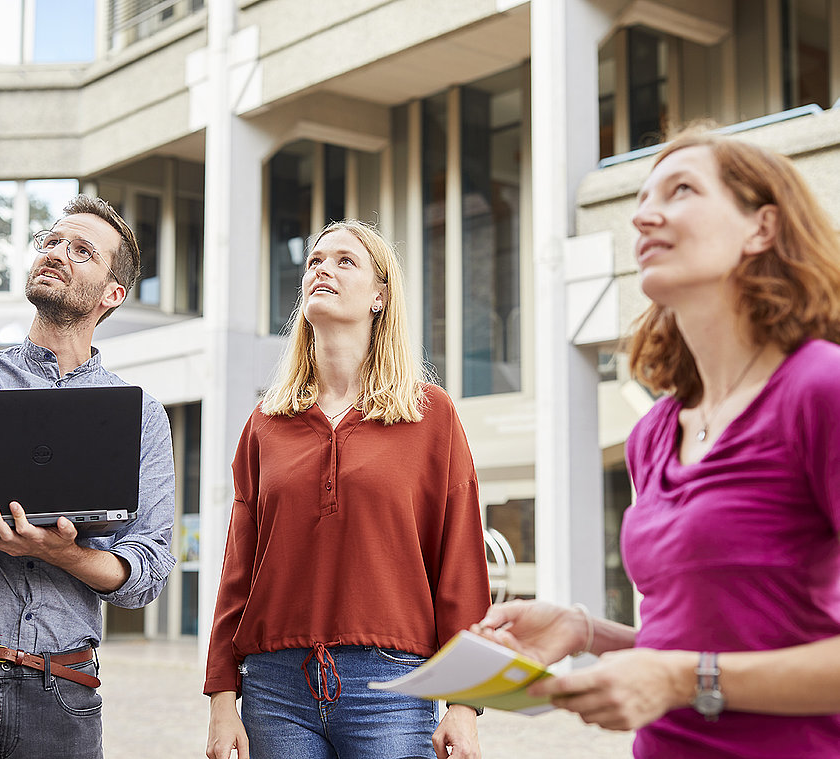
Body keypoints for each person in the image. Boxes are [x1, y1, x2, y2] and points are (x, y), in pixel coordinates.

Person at [473, 130, 840, 758]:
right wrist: (587, 631)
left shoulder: (819, 389)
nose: (643, 215)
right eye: (642, 199)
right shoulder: (654, 433)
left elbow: (693, 672)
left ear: (762, 228)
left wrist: (679, 678)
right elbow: (702, 644)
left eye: (682, 190)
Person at [0, 102, 176, 759]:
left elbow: (148, 568)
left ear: (112, 293)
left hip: (61, 689)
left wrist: (62, 553)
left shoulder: (139, 416)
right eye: (50, 241)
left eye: (80, 250)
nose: (56, 253)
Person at [204, 219, 491, 759]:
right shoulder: (266, 422)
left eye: (344, 261)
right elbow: (237, 570)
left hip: (393, 687)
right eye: (314, 260)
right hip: (273, 689)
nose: (322, 269)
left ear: (380, 296)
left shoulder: (430, 415)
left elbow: (462, 565)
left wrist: (464, 703)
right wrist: (222, 696)